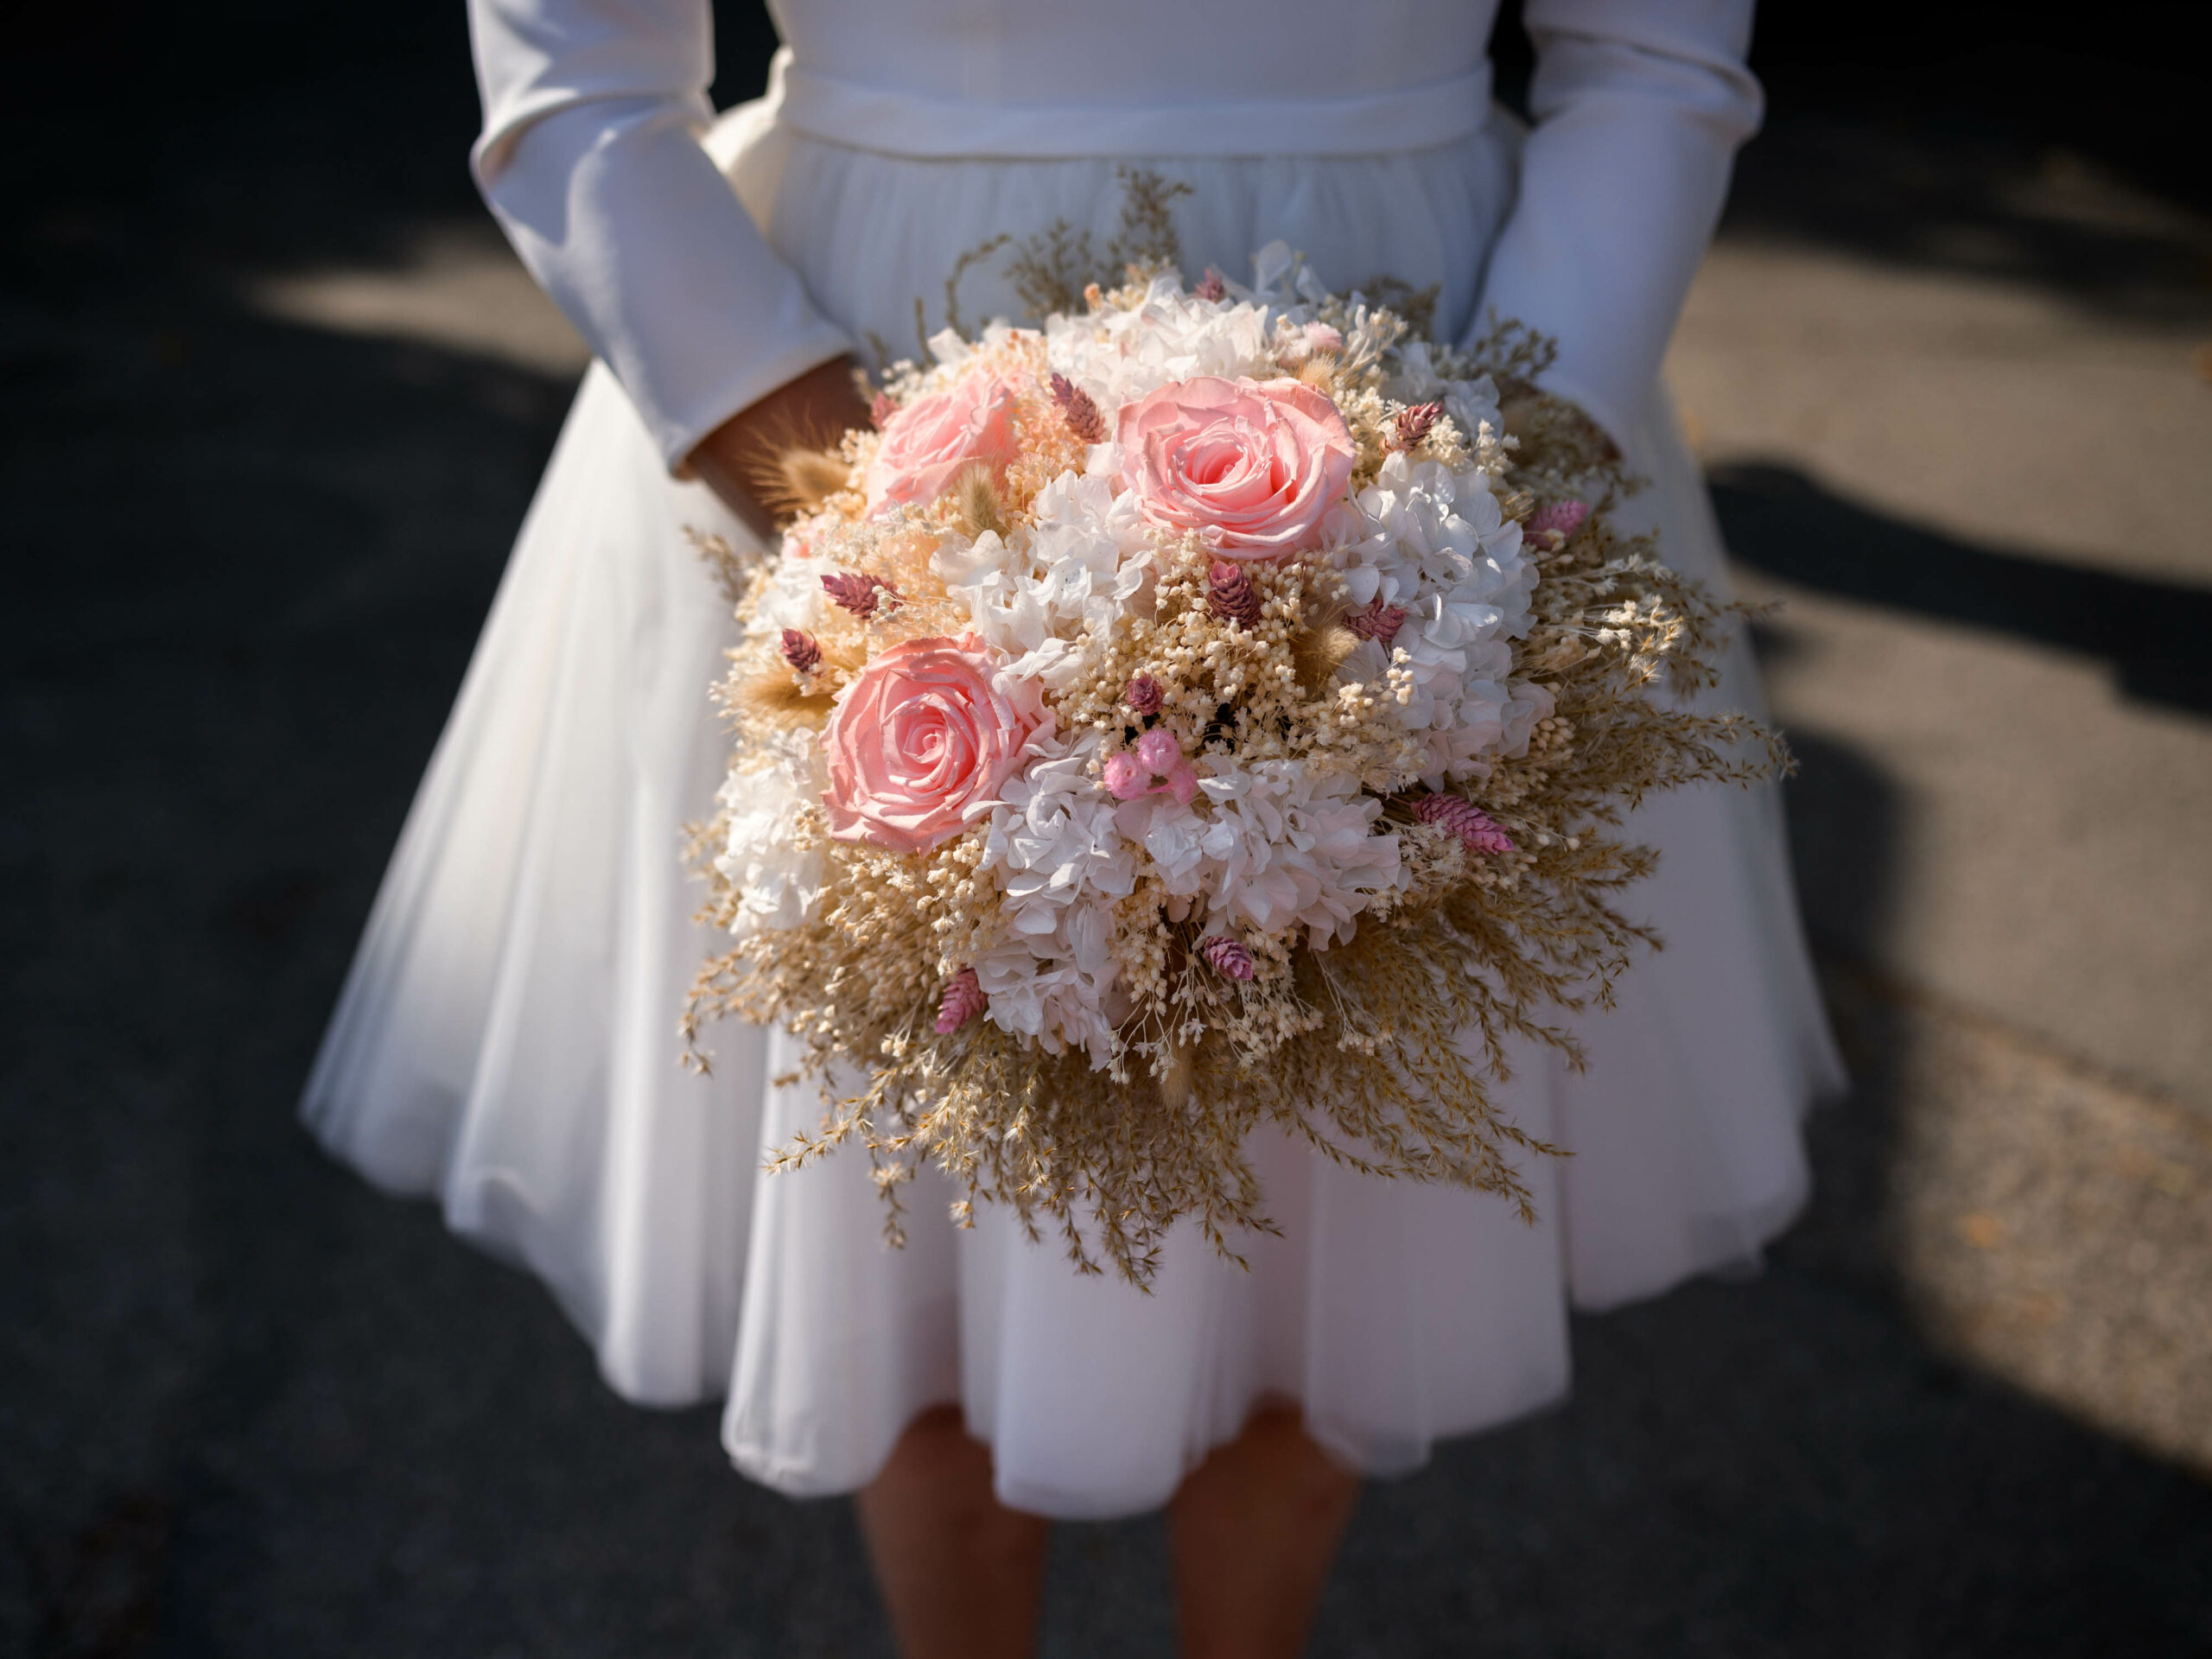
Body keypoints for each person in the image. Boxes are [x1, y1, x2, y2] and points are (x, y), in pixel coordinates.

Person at [303, 2, 1842, 1653]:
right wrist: (892, 563)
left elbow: (1653, 50)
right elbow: (576, 79)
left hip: (1436, 368)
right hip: (846, 379)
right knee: (912, 1246)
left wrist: (1458, 521)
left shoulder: (1453, 466)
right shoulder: (853, 486)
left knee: (1325, 1223)